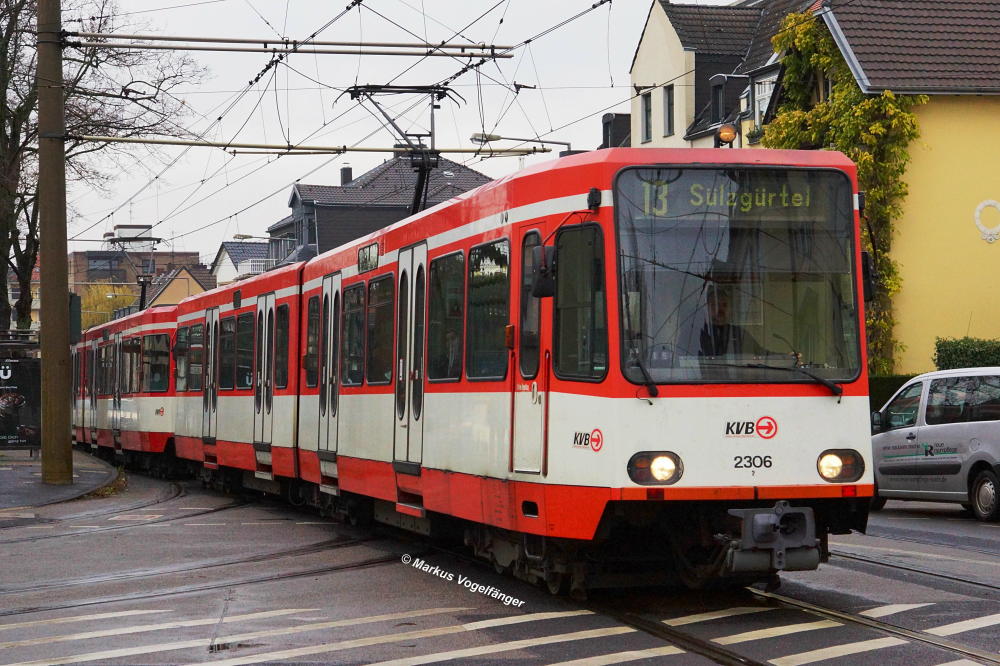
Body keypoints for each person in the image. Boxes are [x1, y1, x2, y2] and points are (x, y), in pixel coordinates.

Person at [698, 288, 766, 357]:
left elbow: (762, 354)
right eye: (714, 305)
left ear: (730, 309)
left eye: (724, 305)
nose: (720, 309)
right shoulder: (698, 333)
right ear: (706, 309)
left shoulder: (739, 333)